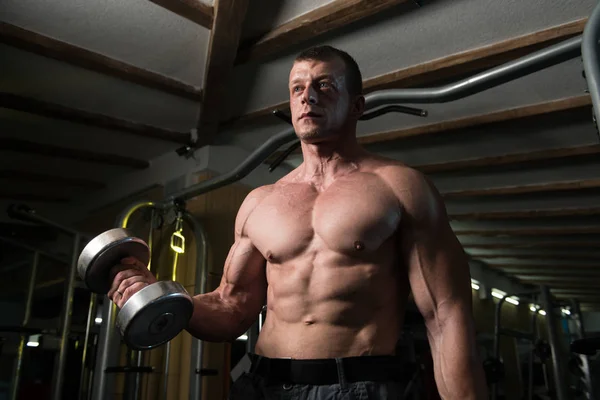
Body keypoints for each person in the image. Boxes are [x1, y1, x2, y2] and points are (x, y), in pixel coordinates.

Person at [109, 46, 489, 399]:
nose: (308, 96)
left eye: (324, 85)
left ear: (357, 105)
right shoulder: (260, 202)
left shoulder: (401, 188)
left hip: (357, 385)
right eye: (297, 88)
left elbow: (445, 315)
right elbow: (232, 305)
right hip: (262, 383)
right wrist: (162, 297)